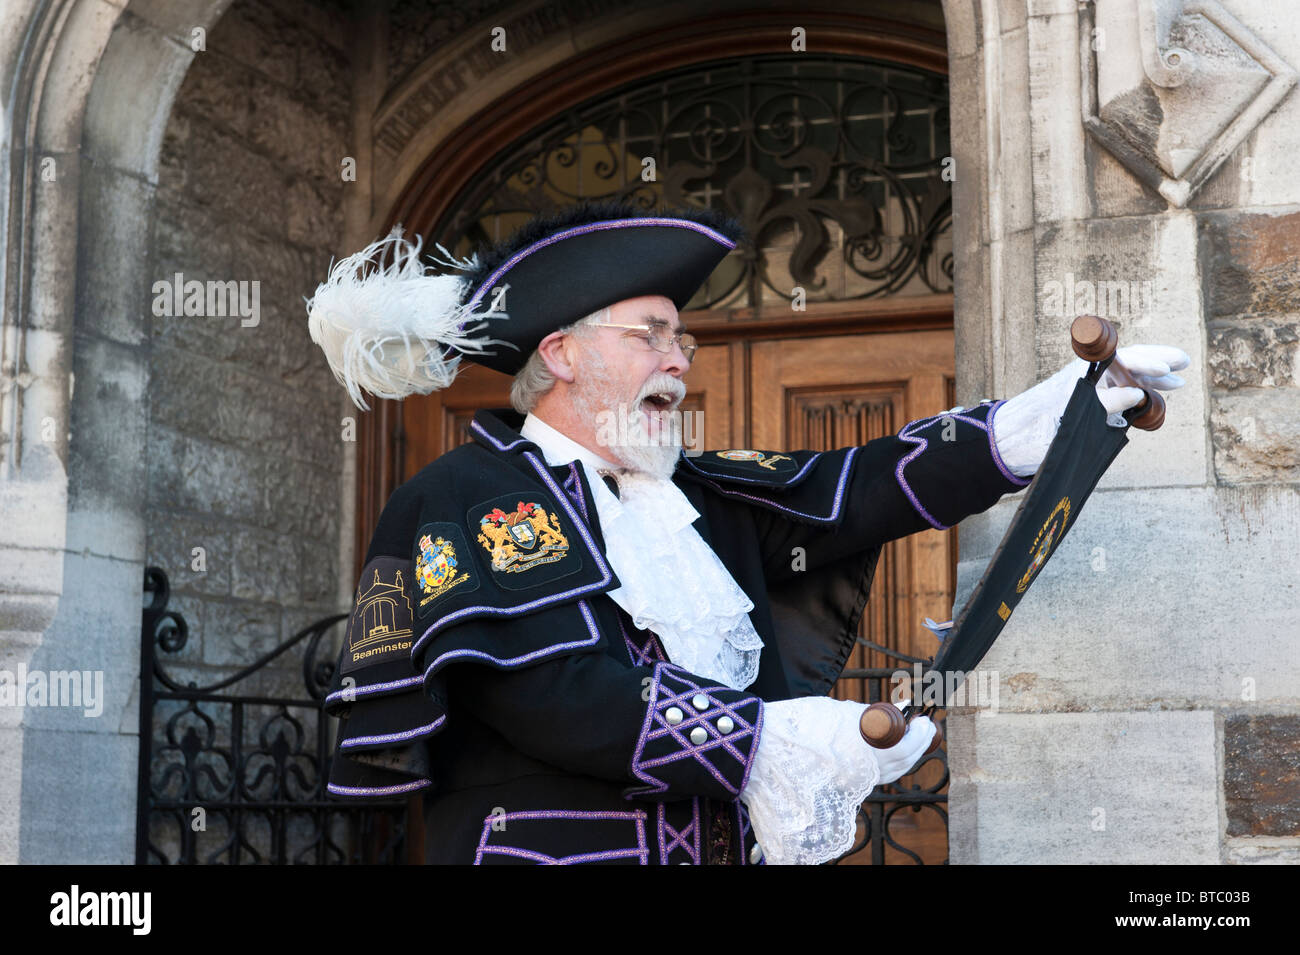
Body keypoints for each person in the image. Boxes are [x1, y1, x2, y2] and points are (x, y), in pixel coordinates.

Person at [306, 200, 1189, 864]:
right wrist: (769, 742)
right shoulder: (466, 492)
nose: (680, 360)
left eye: (682, 340)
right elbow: (551, 692)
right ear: (562, 353)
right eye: (651, 335)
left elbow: (859, 489)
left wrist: (1042, 421)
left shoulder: (695, 495)